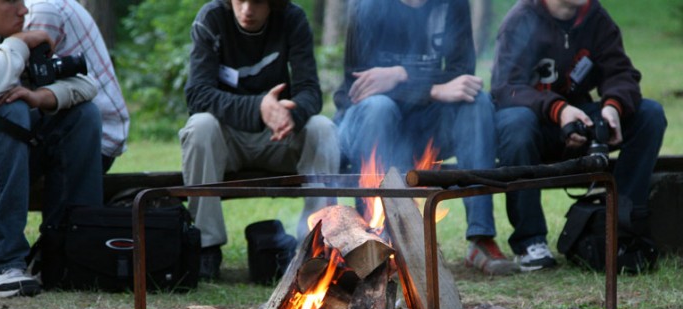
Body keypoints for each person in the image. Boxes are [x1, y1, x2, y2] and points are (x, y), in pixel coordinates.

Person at [335, 0, 518, 276]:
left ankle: (481, 238)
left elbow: (461, 73)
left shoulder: (452, 4)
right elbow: (359, 86)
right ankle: (377, 237)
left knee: (475, 101)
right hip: (368, 122)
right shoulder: (367, 6)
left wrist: (401, 75)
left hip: (426, 124)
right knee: (379, 107)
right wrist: (433, 87)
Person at [492, 0, 667, 271]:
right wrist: (558, 110)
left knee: (650, 114)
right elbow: (505, 87)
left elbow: (621, 73)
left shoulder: (595, 17)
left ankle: (619, 225)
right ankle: (530, 240)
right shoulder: (521, 18)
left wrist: (612, 107)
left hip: (579, 118)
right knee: (516, 123)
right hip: (534, 123)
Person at [181, 0, 340, 280]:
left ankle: (318, 242)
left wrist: (293, 114)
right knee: (199, 125)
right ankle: (205, 247)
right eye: (240, 0)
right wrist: (258, 108)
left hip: (280, 137)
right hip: (227, 140)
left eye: (256, 2)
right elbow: (197, 94)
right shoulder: (212, 18)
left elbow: (310, 92)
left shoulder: (292, 18)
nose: (247, 10)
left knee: (323, 128)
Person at [0, 0, 103, 297]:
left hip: (11, 162)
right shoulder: (14, 44)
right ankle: (3, 263)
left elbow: (87, 84)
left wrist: (42, 96)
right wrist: (17, 44)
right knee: (11, 111)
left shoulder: (7, 42)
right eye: (10, 2)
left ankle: (71, 256)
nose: (24, 10)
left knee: (83, 115)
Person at [24, 0, 130, 172]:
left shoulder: (39, 10)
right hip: (87, 124)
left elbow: (25, 83)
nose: (20, 10)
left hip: (96, 136)